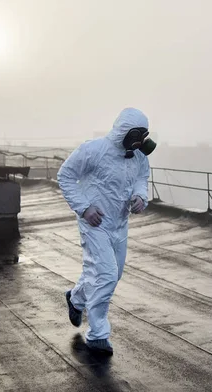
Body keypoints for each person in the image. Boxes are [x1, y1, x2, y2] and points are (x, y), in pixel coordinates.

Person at [57, 107, 156, 355]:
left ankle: (76, 298)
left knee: (112, 273)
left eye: (143, 134)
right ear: (124, 130)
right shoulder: (93, 150)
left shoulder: (138, 157)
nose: (140, 139)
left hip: (120, 225)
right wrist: (84, 207)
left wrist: (140, 197)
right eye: (136, 133)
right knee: (108, 275)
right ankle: (98, 334)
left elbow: (141, 179)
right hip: (95, 223)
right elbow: (65, 175)